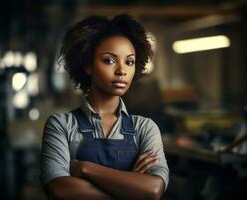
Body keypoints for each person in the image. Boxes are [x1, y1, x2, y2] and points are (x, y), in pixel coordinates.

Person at [40, 13, 169, 200]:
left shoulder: (144, 128)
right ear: (88, 65)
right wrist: (130, 188)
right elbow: (60, 190)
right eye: (109, 60)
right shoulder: (61, 124)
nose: (122, 71)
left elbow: (153, 190)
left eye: (129, 62)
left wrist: (85, 168)